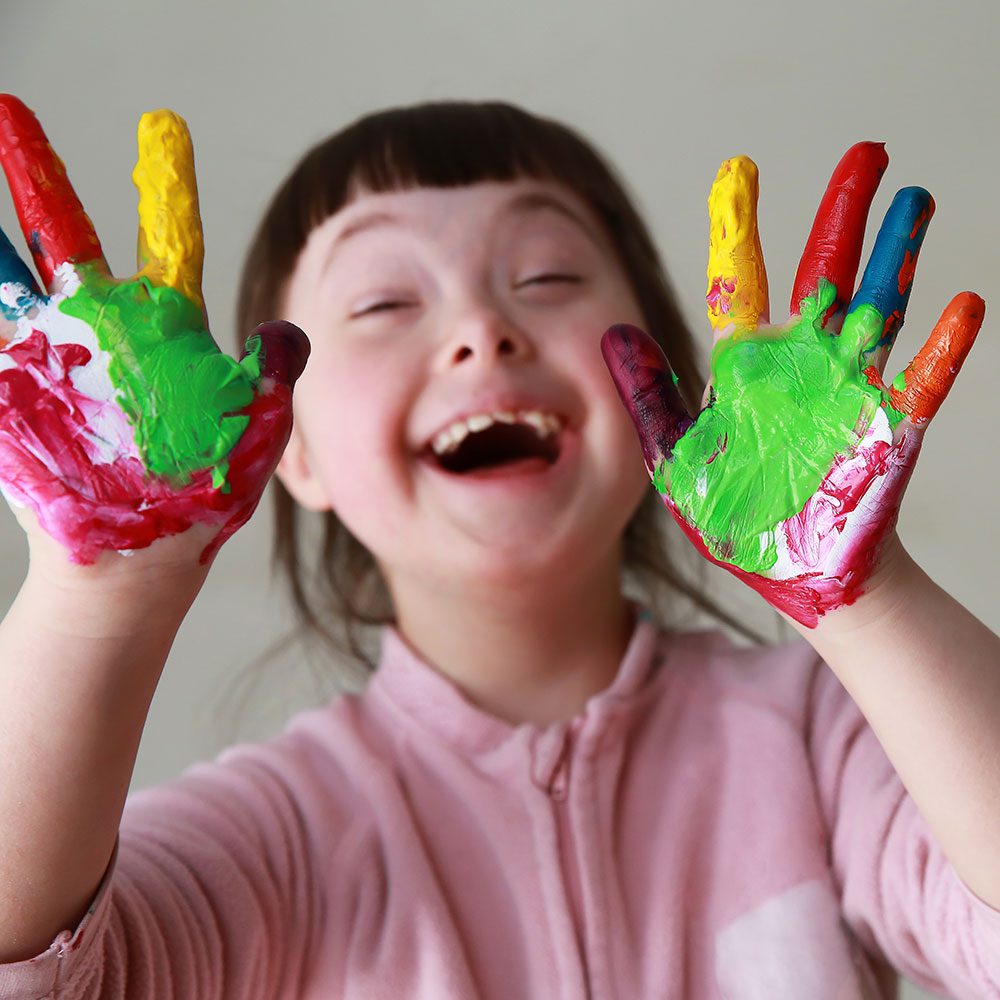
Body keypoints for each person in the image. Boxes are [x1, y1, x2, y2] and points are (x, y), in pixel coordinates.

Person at [0, 94, 997, 1000]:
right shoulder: (279, 834)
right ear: (289, 440)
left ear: (675, 385)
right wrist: (102, 593)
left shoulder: (825, 745)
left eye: (546, 276)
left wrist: (867, 601)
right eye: (385, 302)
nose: (481, 327)